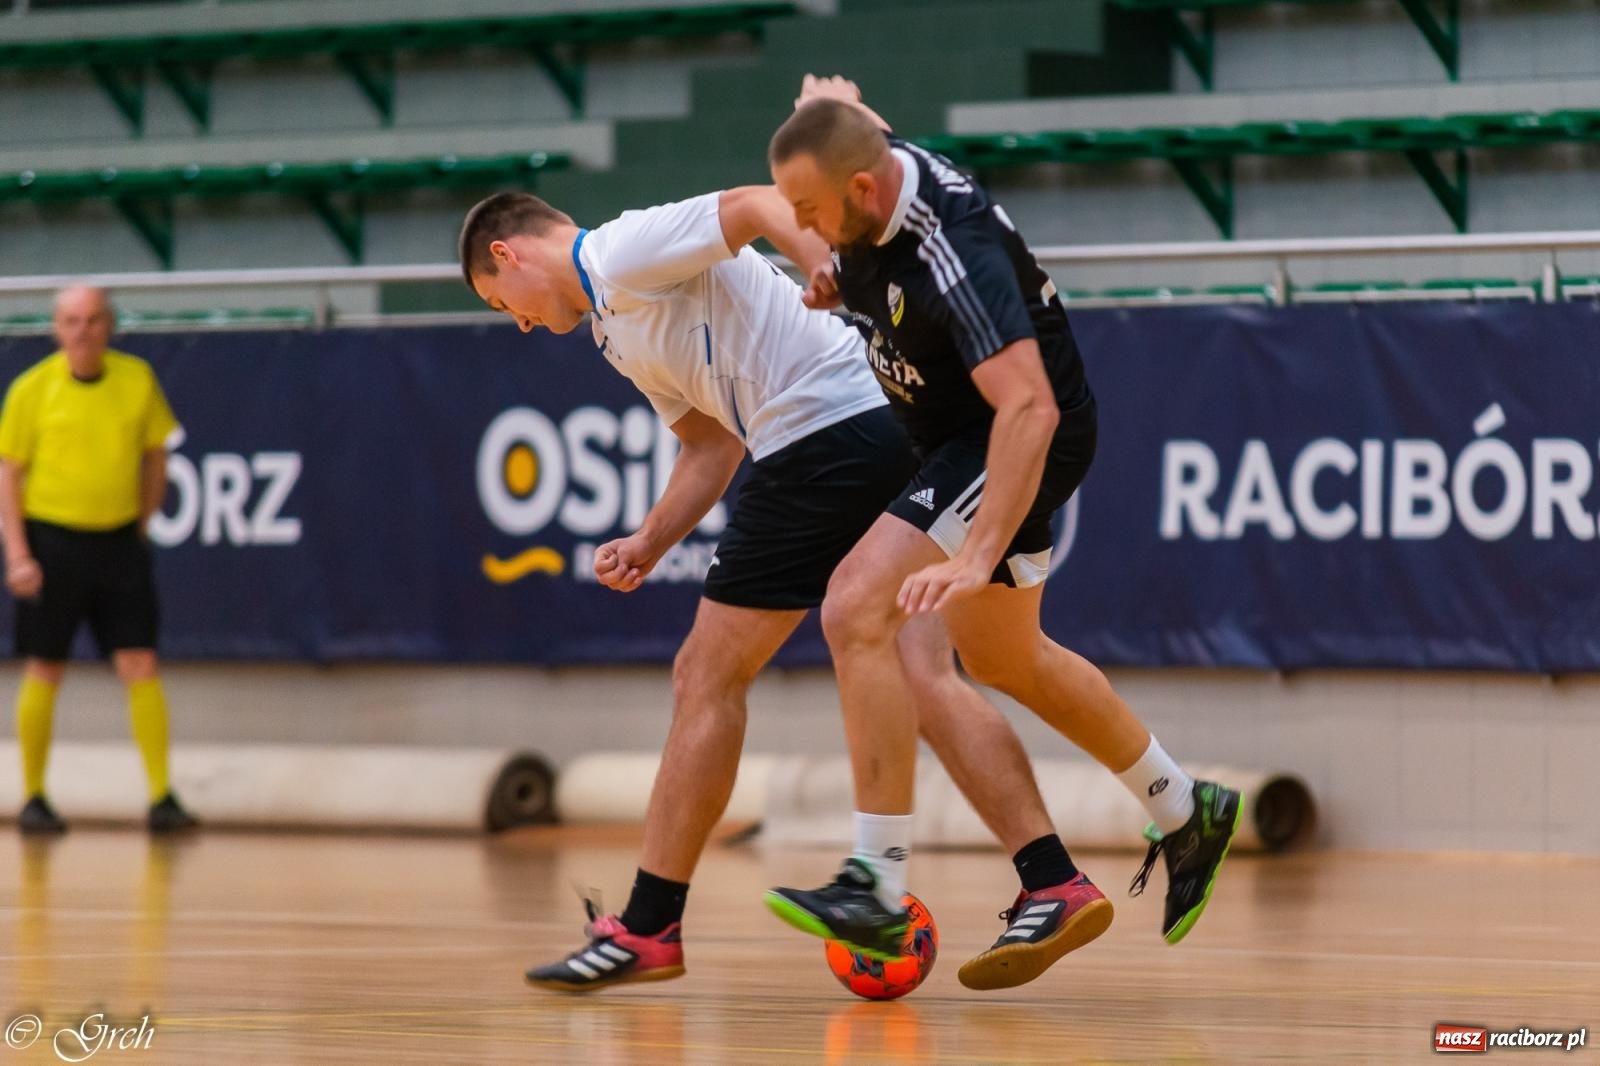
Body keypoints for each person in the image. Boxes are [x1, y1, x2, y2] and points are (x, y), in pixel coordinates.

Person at [460, 184, 1112, 992]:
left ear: (507, 253)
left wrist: (823, 268)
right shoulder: (612, 329)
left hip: (822, 434)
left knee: (707, 674)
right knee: (920, 665)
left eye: (503, 302)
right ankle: (1051, 878)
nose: (517, 321)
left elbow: (755, 203)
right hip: (884, 430)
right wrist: (650, 539)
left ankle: (649, 926)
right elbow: (707, 445)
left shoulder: (617, 250)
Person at [762, 78, 1240, 959]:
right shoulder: (866, 174)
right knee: (1002, 657)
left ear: (863, 193)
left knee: (851, 606)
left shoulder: (953, 250)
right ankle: (1182, 807)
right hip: (959, 434)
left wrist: (976, 553)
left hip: (1010, 435)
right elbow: (858, 132)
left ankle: (875, 877)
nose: (804, 231)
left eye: (810, 212)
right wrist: (834, 105)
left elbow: (1030, 410)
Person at [0, 285, 198, 836]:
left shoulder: (136, 380)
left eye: (91, 320)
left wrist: (141, 522)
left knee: (140, 661)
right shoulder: (32, 390)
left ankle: (162, 796)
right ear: (56, 329)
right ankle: (34, 796)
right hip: (51, 541)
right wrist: (18, 553)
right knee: (46, 664)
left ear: (108, 325)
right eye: (70, 321)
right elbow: (8, 476)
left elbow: (156, 454)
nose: (82, 331)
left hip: (117, 542)